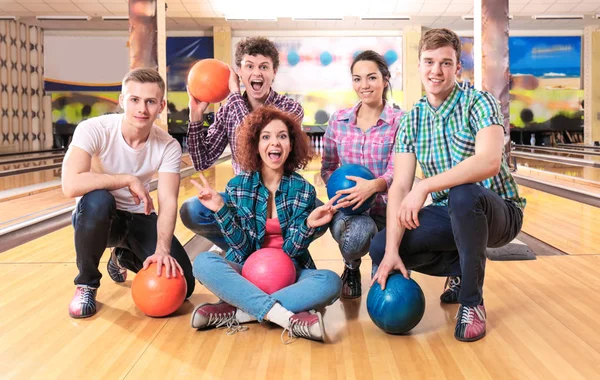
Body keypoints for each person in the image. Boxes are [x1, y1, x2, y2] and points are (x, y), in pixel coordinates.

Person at [369, 28, 526, 342]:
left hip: (498, 212)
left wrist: (424, 187)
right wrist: (390, 252)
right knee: (381, 245)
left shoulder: (479, 103)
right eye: (429, 62)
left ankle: (472, 302)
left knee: (463, 193)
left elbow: (488, 161)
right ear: (419, 67)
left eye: (445, 63)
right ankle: (459, 268)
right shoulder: (412, 120)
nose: (435, 70)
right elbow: (399, 186)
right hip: (449, 215)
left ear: (458, 68)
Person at [190, 106, 342, 343]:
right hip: (248, 270)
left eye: (282, 136)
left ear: (291, 144)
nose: (275, 143)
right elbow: (242, 250)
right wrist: (221, 209)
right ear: (256, 144)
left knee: (330, 282)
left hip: (290, 272)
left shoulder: (302, 189)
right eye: (266, 137)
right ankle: (286, 317)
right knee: (203, 262)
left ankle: (238, 310)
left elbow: (292, 252)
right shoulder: (238, 186)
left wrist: (308, 225)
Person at [62, 68, 195, 318]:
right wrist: (126, 180)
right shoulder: (94, 129)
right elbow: (70, 185)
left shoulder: (168, 146)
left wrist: (163, 250)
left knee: (184, 285)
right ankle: (86, 283)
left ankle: (121, 257)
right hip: (98, 217)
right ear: (122, 101)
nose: (142, 109)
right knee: (98, 199)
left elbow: (167, 201)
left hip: (138, 217)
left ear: (161, 105)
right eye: (134, 100)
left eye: (150, 101)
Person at [180, 37, 304, 252]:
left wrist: (235, 94)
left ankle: (245, 246)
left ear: (274, 72)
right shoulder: (228, 109)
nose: (257, 73)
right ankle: (239, 246)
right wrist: (196, 118)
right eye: (249, 66)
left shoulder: (289, 109)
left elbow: (255, 139)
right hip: (243, 200)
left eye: (264, 67)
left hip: (281, 203)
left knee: (316, 211)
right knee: (192, 209)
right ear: (238, 72)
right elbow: (202, 161)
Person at [321, 50, 403, 298]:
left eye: (371, 78)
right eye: (357, 79)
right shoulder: (339, 120)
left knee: (384, 288)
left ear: (385, 79)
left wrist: (373, 186)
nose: (364, 85)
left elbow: (398, 170)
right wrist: (342, 192)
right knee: (358, 234)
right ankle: (351, 266)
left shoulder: (400, 121)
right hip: (349, 215)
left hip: (388, 212)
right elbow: (328, 167)